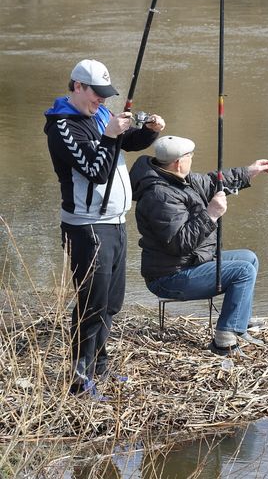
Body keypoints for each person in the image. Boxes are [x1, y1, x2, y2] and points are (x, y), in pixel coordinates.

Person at [44, 58, 165, 397]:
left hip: (115, 223)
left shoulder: (97, 115)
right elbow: (94, 169)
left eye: (104, 95)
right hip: (87, 227)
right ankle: (79, 382)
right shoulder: (62, 126)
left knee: (111, 303)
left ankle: (101, 368)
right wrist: (111, 135)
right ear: (77, 87)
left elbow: (125, 144)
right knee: (91, 304)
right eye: (96, 94)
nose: (101, 101)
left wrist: (148, 132)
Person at [129, 135, 268, 354]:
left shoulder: (180, 179)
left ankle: (239, 325)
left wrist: (248, 172)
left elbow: (214, 182)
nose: (192, 159)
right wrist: (211, 214)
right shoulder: (159, 196)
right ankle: (224, 340)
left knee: (249, 258)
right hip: (169, 276)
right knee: (242, 271)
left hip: (190, 263)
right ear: (179, 162)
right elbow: (179, 244)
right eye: (190, 156)